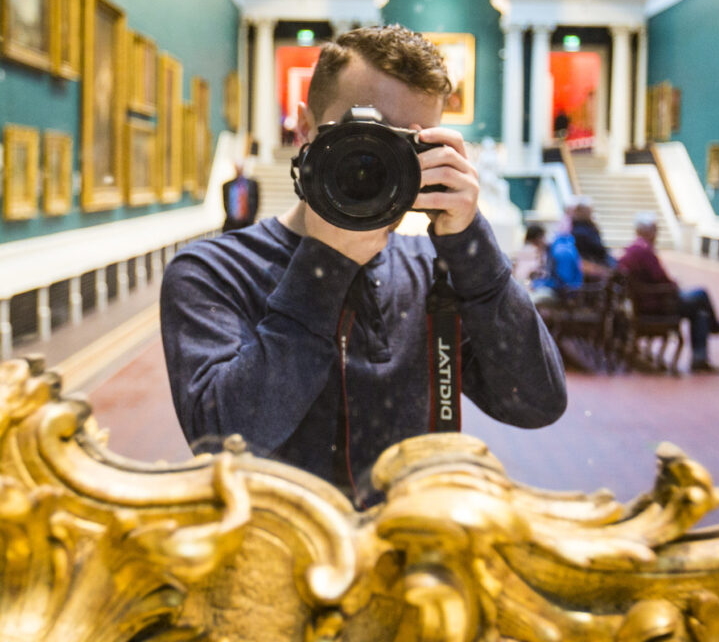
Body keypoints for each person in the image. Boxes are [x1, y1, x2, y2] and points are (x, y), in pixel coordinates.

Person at [161, 25, 566, 504]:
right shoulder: (213, 271)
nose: (378, 162)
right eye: (363, 137)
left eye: (406, 146)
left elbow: (536, 403)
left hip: (411, 557)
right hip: (280, 560)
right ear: (305, 128)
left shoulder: (432, 271)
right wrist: (325, 265)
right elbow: (224, 443)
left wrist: (470, 244)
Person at [616, 213, 719, 373]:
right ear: (648, 232)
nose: (656, 234)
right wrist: (674, 285)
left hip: (648, 301)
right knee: (701, 295)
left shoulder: (632, 249)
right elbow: (661, 279)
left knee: (701, 314)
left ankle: (700, 356)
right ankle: (713, 329)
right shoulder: (644, 251)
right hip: (658, 304)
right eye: (654, 230)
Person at [530, 228, 583, 305]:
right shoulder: (554, 248)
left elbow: (563, 282)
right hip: (563, 291)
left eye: (535, 245)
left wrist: (538, 285)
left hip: (566, 294)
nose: (537, 249)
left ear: (538, 240)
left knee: (531, 299)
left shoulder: (560, 251)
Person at [568, 196, 616, 280]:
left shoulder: (588, 227)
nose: (591, 213)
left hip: (600, 262)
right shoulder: (579, 231)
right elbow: (597, 250)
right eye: (588, 210)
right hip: (593, 266)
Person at [221, 161, 260, 232]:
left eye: (240, 167)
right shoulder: (227, 185)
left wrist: (251, 218)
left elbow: (256, 202)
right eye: (237, 168)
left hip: (247, 223)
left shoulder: (252, 184)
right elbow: (225, 202)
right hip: (231, 224)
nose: (239, 170)